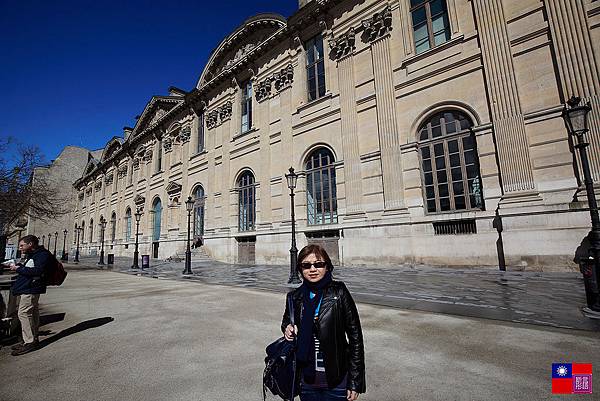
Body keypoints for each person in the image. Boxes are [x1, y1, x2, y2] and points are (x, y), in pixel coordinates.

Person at [281, 244, 366, 401]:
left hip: (337, 381)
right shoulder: (294, 297)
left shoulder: (339, 292)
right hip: (306, 381)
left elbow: (356, 338)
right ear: (300, 269)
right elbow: (287, 320)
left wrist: (355, 382)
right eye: (306, 265)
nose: (312, 269)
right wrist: (287, 328)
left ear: (327, 266)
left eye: (318, 264)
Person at [8, 235, 52, 356]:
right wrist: (20, 267)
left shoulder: (42, 255)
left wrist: (18, 269)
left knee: (24, 313)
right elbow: (31, 268)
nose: (20, 248)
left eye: (22, 245)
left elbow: (38, 271)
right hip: (28, 288)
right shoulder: (34, 255)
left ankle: (30, 341)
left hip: (31, 288)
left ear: (30, 244)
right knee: (31, 313)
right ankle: (32, 339)